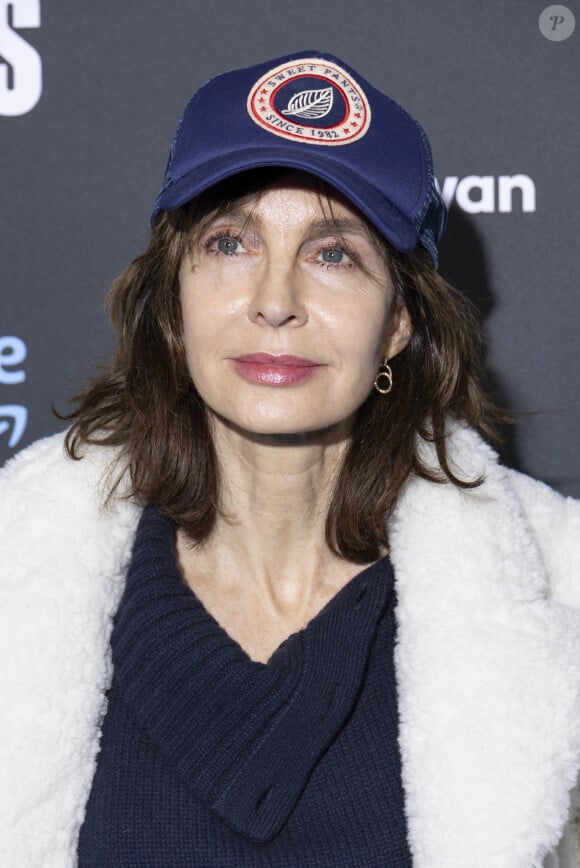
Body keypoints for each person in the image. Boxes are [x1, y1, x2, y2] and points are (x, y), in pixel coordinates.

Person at [1, 51, 579, 868]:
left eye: (333, 253)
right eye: (232, 242)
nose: (276, 300)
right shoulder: (16, 573)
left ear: (399, 323)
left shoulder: (561, 597)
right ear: (175, 297)